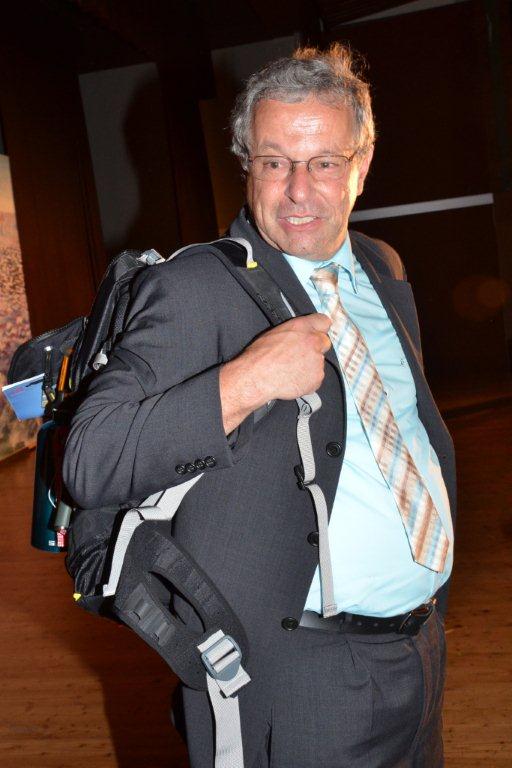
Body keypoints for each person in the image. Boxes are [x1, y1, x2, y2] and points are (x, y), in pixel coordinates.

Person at [63, 44, 455, 768]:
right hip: (305, 677)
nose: (298, 190)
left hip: (422, 650)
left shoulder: (382, 266)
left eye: (324, 163)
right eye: (275, 162)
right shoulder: (195, 290)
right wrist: (245, 381)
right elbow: (91, 459)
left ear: (362, 165)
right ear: (247, 165)